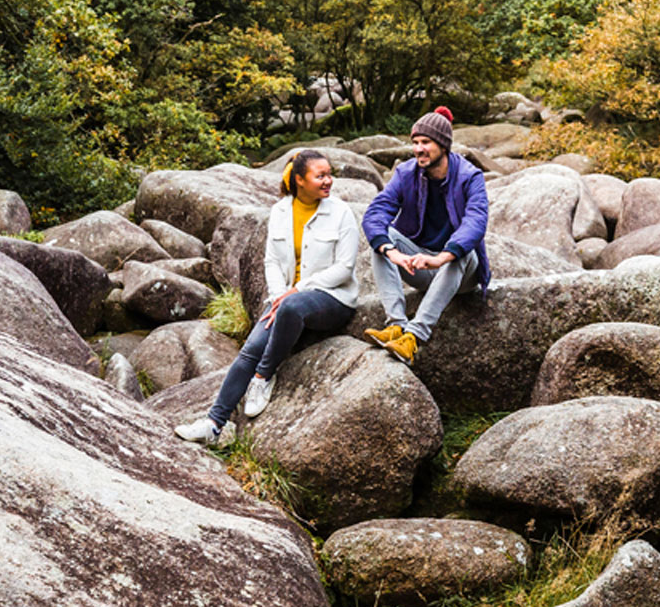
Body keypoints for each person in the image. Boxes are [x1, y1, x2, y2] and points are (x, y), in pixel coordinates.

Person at [175, 149, 359, 445]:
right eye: (320, 175)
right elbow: (271, 262)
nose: (329, 181)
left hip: (331, 298)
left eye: (329, 174)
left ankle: (263, 376)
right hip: (285, 301)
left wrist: (295, 292)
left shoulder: (341, 213)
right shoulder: (281, 211)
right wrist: (277, 297)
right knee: (251, 348)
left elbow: (345, 268)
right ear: (299, 179)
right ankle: (213, 424)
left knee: (290, 309)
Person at [360, 106, 489, 365]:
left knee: (463, 250)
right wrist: (391, 251)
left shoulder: (469, 177)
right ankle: (396, 325)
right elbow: (375, 213)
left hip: (461, 273)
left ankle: (413, 337)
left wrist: (442, 258)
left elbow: (475, 222)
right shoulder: (406, 173)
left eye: (426, 142)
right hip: (422, 268)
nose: (418, 149)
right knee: (384, 239)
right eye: (415, 142)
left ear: (443, 145)